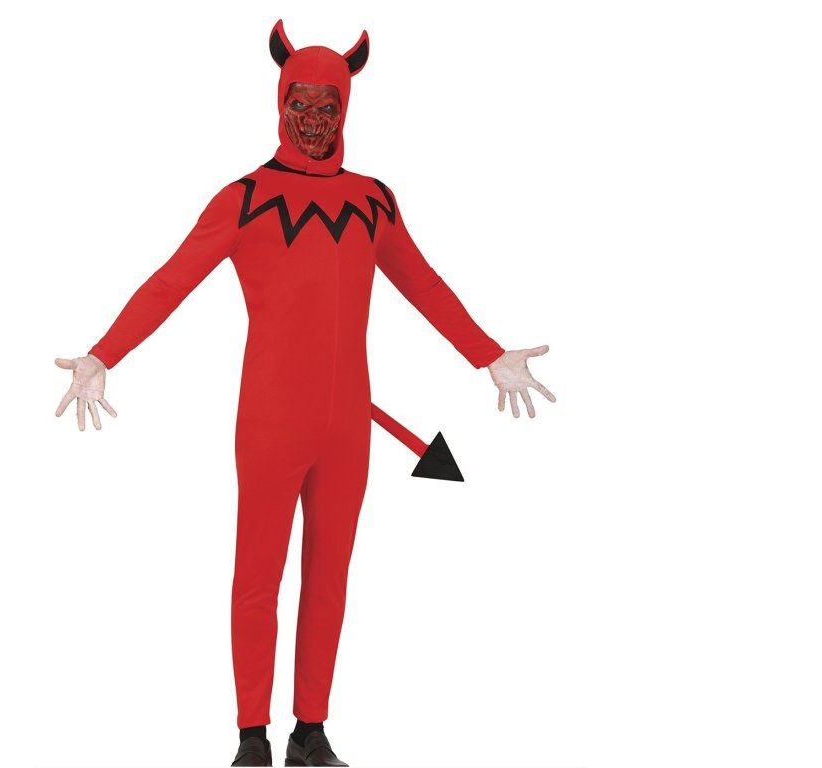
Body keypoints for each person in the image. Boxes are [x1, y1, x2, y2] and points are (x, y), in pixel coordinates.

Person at [54, 21, 555, 767]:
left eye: (329, 106)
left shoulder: (372, 201)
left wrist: (487, 355)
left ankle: (309, 733)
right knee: (258, 577)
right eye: (301, 103)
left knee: (329, 581)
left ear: (346, 107)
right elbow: (171, 281)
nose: (314, 120)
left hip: (348, 424)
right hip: (270, 421)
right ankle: (251, 736)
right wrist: (105, 353)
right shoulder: (247, 199)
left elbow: (422, 283)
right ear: (280, 100)